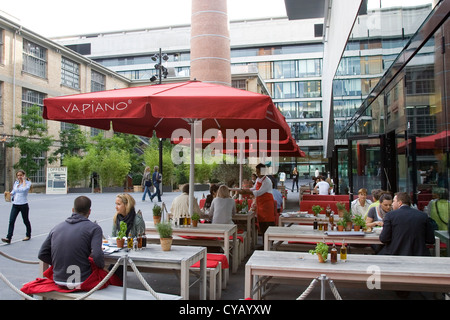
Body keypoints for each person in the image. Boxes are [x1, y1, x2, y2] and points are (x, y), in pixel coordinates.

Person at [37, 196, 106, 288]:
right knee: (111, 278)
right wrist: (101, 266)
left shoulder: (56, 228)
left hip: (58, 279)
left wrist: (58, 264)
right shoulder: (94, 228)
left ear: (73, 210)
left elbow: (42, 254)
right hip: (81, 280)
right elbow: (97, 255)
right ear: (89, 211)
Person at [238, 163, 275, 234]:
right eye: (257, 171)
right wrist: (245, 190)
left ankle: (268, 244)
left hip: (267, 206)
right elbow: (254, 188)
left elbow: (258, 192)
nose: (257, 174)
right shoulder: (258, 179)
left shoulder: (267, 181)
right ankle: (265, 244)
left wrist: (246, 192)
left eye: (258, 172)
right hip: (260, 205)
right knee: (262, 225)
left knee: (268, 226)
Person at [2, 169, 32, 244]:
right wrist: (9, 194)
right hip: (15, 204)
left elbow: (24, 189)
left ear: (23, 175)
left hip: (23, 204)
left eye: (21, 175)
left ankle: (28, 235)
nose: (19, 177)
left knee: (25, 220)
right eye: (18, 175)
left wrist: (24, 180)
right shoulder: (16, 183)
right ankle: (8, 238)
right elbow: (14, 191)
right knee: (11, 220)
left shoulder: (28, 183)